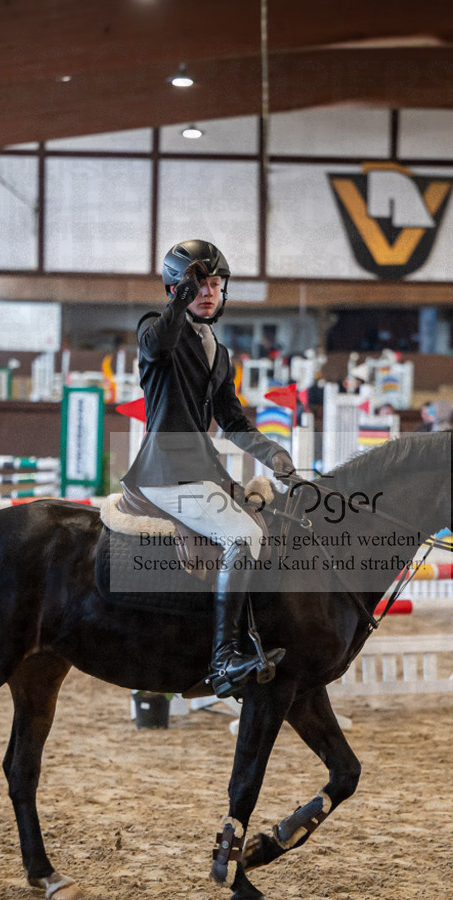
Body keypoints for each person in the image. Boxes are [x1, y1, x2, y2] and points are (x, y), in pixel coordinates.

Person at [122, 239, 296, 699]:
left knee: (272, 528)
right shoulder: (154, 330)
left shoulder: (219, 352)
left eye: (215, 284)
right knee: (244, 537)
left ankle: (250, 638)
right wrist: (182, 294)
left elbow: (233, 421)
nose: (208, 292)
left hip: (203, 472)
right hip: (163, 473)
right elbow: (159, 343)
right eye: (198, 285)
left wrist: (272, 452)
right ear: (175, 288)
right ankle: (222, 661)